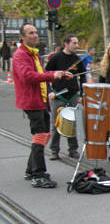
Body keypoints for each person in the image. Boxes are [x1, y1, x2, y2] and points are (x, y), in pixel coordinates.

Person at [13, 23, 73, 188]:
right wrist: (53, 74)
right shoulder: (21, 55)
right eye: (30, 33)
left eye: (35, 32)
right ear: (22, 37)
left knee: (43, 135)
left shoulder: (34, 55)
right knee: (40, 135)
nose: (35, 35)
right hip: (31, 101)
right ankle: (38, 175)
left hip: (40, 100)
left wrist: (58, 77)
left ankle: (30, 170)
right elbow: (28, 77)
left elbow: (41, 76)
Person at [46, 34, 86, 160]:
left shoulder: (77, 60)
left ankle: (73, 149)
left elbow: (83, 77)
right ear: (66, 44)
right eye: (74, 43)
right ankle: (54, 150)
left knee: (73, 123)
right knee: (56, 124)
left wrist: (81, 95)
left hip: (73, 95)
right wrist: (49, 91)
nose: (77, 46)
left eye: (77, 43)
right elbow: (46, 75)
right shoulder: (56, 58)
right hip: (58, 96)